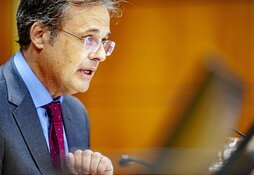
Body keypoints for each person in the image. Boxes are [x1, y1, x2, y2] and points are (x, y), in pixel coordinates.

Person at [0, 0, 121, 174]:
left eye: (104, 41)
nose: (101, 55)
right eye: (89, 38)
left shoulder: (76, 112)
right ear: (40, 35)